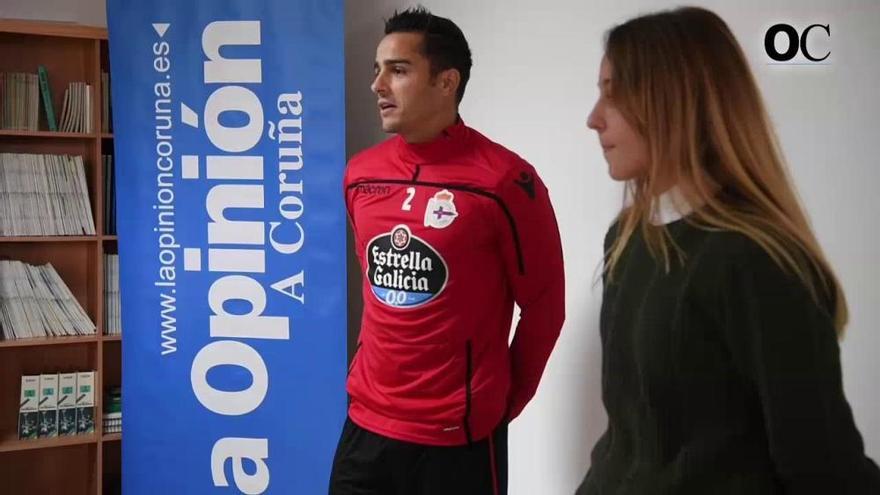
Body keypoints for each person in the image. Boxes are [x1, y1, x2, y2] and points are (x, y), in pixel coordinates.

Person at [578, 6, 880, 494]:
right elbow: (629, 438)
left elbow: (822, 467)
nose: (593, 118)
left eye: (614, 94)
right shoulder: (628, 239)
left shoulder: (756, 262)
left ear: (674, 101)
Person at [329, 7, 565, 495]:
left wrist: (499, 403)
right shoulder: (360, 175)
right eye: (378, 69)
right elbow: (376, 293)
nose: (377, 85)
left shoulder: (505, 181)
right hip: (366, 427)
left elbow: (545, 305)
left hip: (457, 441)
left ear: (446, 82)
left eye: (398, 70)